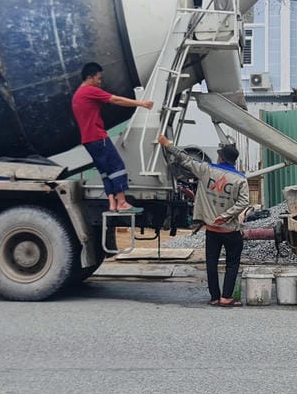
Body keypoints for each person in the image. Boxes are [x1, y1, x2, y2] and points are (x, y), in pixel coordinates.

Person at [157, 133, 251, 307]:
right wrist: (226, 216)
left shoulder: (206, 170)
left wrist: (167, 144)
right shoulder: (240, 179)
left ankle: (214, 297)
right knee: (232, 263)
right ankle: (226, 297)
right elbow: (244, 202)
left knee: (211, 263)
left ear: (221, 158)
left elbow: (185, 159)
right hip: (230, 230)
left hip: (212, 229)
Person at [71, 62, 154, 212]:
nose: (100, 82)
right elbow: (116, 100)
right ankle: (122, 202)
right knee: (117, 166)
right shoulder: (90, 91)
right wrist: (142, 103)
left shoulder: (77, 95)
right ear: (89, 78)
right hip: (98, 137)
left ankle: (112, 203)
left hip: (88, 141)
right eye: (98, 78)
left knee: (105, 171)